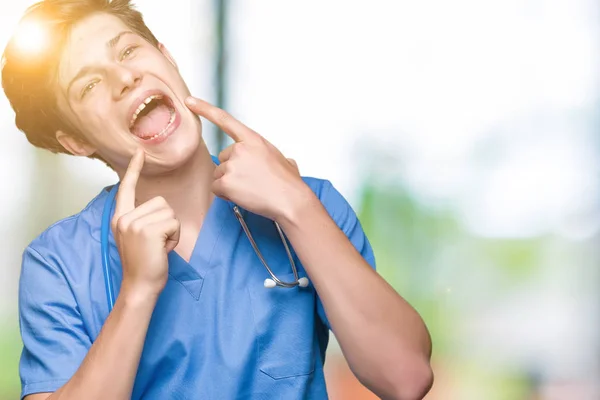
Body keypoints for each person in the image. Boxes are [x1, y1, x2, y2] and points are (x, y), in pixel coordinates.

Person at [2, 0, 433, 399]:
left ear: (167, 57)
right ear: (76, 141)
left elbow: (407, 378)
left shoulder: (309, 203)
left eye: (128, 52)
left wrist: (295, 206)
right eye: (90, 84)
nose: (125, 78)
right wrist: (137, 292)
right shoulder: (58, 263)